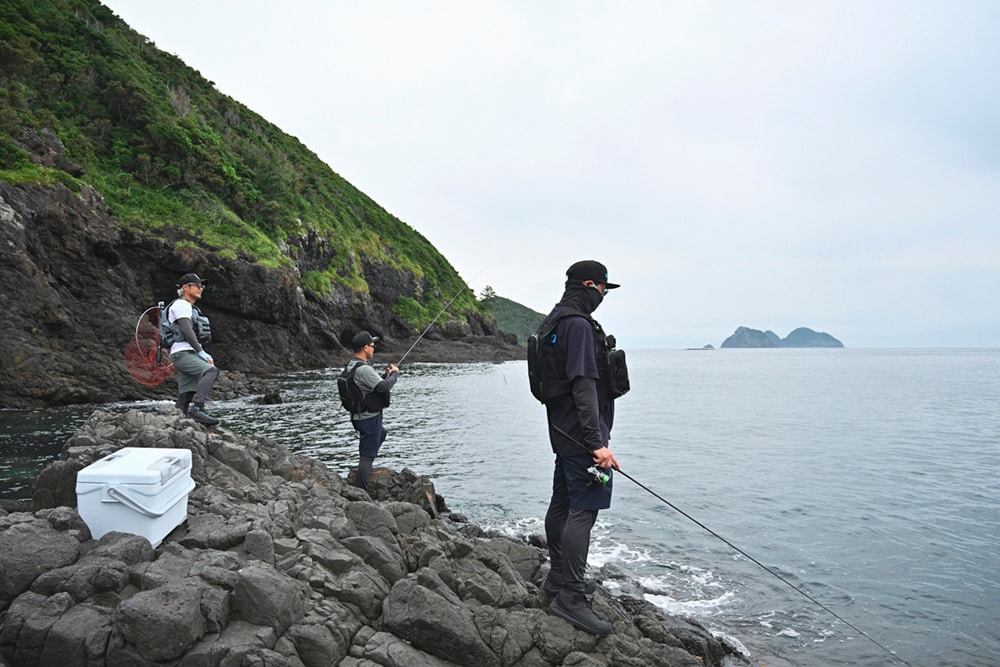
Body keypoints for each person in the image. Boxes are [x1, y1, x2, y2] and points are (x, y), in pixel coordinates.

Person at [539, 260, 623, 636]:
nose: (603, 296)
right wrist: (598, 445)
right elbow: (584, 385)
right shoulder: (578, 325)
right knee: (583, 511)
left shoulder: (554, 321)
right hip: (582, 436)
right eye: (603, 289)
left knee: (561, 502)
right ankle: (572, 596)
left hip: (562, 431)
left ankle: (557, 578)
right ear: (590, 285)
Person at [344, 331, 399, 492]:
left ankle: (365, 469)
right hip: (368, 417)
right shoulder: (364, 369)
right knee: (366, 455)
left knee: (381, 434)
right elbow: (383, 387)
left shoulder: (353, 365)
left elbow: (370, 386)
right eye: (372, 346)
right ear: (365, 348)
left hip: (359, 416)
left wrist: (385, 375)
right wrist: (394, 374)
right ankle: (361, 491)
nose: (374, 349)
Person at [167, 273, 220, 426]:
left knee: (186, 394)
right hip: (183, 353)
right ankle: (198, 409)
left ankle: (178, 421)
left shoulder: (188, 306)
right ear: (185, 288)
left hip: (185, 353)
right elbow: (185, 329)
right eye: (197, 285)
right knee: (211, 371)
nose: (201, 288)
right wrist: (200, 352)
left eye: (202, 286)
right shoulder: (181, 304)